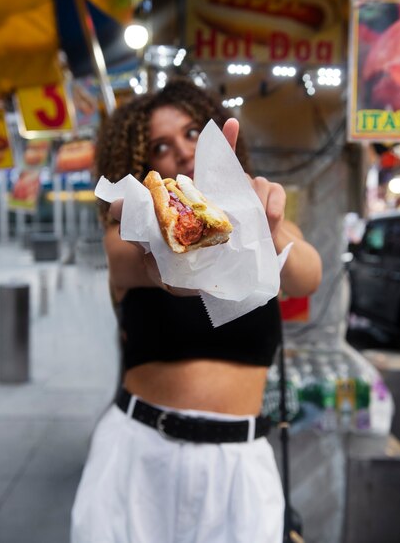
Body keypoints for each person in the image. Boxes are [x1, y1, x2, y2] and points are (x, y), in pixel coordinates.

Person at [71, 77, 322, 543]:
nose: (184, 152)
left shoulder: (261, 218)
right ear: (143, 163)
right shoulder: (130, 237)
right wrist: (175, 263)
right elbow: (141, 266)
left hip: (239, 467)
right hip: (140, 454)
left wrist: (265, 225)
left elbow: (307, 274)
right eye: (162, 146)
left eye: (191, 133)